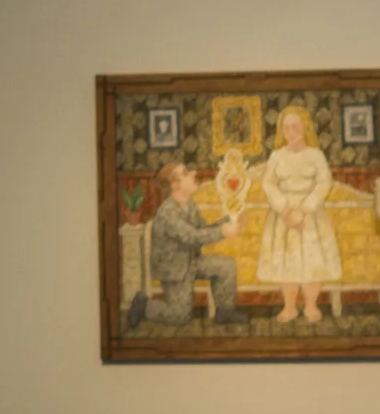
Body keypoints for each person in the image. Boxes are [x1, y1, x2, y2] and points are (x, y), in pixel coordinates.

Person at [127, 161, 244, 330]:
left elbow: (202, 230)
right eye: (186, 173)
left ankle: (225, 313)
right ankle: (143, 305)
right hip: (174, 269)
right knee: (180, 316)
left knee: (226, 265)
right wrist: (223, 231)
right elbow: (193, 237)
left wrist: (229, 221)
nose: (194, 173)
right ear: (175, 185)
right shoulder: (168, 213)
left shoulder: (189, 204)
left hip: (191, 261)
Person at [257, 106, 340, 323]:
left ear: (305, 128)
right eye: (286, 127)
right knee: (287, 263)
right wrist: (285, 209)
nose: (291, 131)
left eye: (295, 126)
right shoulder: (277, 156)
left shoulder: (315, 155)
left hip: (310, 216)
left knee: (312, 262)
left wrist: (304, 210)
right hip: (283, 217)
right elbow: (268, 184)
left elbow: (324, 183)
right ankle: (290, 307)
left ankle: (311, 306)